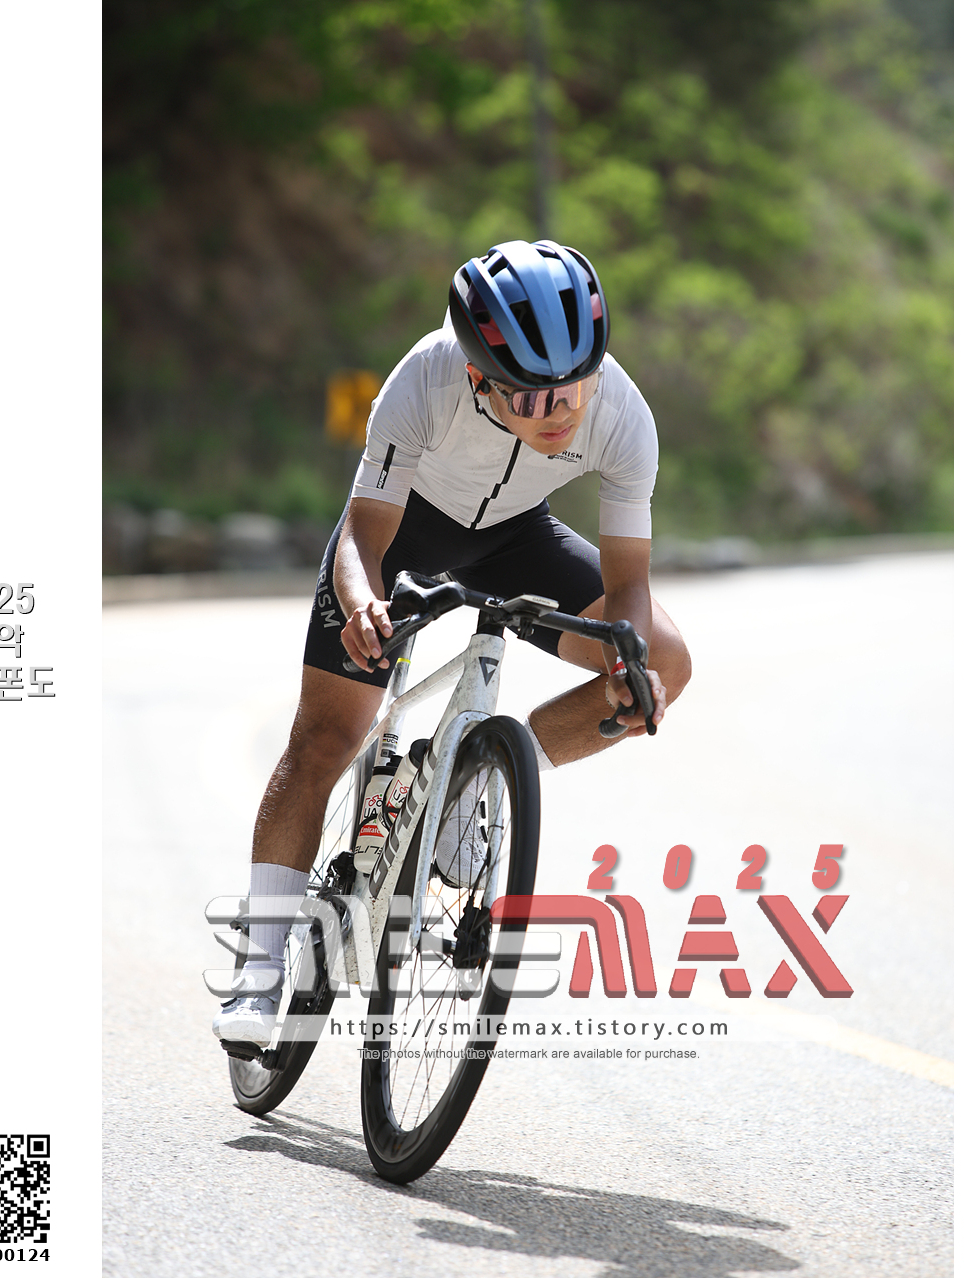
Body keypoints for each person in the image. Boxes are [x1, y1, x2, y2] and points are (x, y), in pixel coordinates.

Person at [214, 238, 692, 1043]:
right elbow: (363, 535)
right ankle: (257, 976)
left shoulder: (623, 416)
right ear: (477, 377)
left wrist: (628, 660)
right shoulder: (423, 381)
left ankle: (480, 780)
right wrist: (362, 605)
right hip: (403, 534)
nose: (559, 412)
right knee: (325, 736)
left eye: (573, 387)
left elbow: (630, 586)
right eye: (529, 397)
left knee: (665, 663)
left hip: (518, 539)